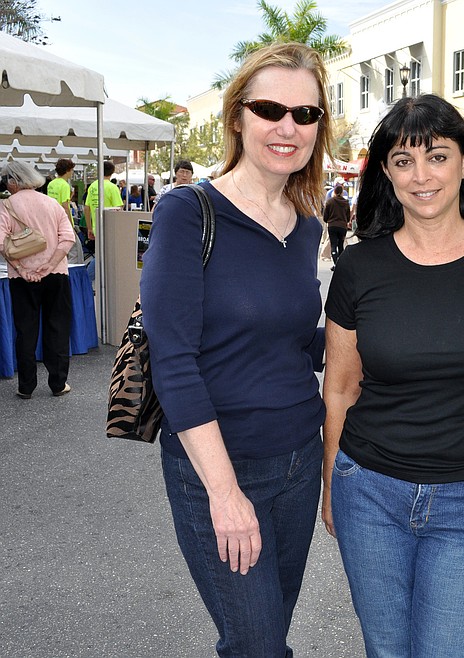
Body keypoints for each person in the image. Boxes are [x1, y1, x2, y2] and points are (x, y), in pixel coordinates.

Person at [322, 93, 464, 658]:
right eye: (403, 161)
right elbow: (341, 387)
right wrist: (330, 485)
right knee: (387, 651)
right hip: (366, 490)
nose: (422, 176)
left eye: (437, 156)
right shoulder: (358, 266)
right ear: (387, 173)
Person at [140, 42, 332, 658]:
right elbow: (172, 359)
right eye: (271, 108)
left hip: (300, 460)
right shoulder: (187, 211)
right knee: (257, 645)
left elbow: (298, 342)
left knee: (266, 636)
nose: (288, 127)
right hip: (220, 468)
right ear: (237, 117)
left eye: (306, 114)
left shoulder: (306, 225)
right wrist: (225, 493)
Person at [0, 161, 76, 399]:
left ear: (13, 181)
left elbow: (1, 243)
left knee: (26, 330)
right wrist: (50, 264)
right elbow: (68, 238)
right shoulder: (52, 203)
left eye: (6, 181)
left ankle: (26, 386)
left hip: (21, 278)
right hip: (55, 275)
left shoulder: (6, 206)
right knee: (58, 328)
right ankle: (58, 383)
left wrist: (22, 269)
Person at [83, 160, 123, 243]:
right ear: (112, 172)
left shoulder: (92, 186)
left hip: (96, 228)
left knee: (98, 253)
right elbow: (119, 209)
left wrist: (89, 228)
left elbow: (87, 208)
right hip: (110, 228)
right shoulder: (113, 187)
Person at [322, 183, 349, 267]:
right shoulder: (346, 202)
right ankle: (340, 264)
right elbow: (348, 216)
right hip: (342, 226)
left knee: (333, 245)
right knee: (341, 245)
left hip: (332, 225)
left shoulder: (330, 201)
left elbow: (325, 215)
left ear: (334, 191)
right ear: (342, 193)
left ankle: (335, 263)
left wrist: (327, 221)